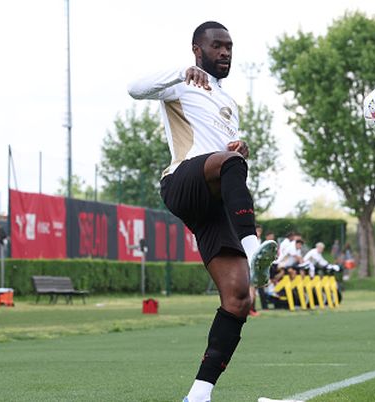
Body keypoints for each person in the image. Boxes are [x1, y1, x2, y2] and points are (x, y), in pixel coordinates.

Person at [128, 21, 278, 402]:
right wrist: (181, 71)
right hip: (183, 181)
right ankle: (252, 246)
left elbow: (226, 153)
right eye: (217, 46)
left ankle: (198, 393)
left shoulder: (229, 102)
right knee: (229, 163)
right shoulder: (181, 82)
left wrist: (238, 147)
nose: (225, 52)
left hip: (212, 201)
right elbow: (134, 88)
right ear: (198, 50)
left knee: (239, 298)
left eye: (229, 47)